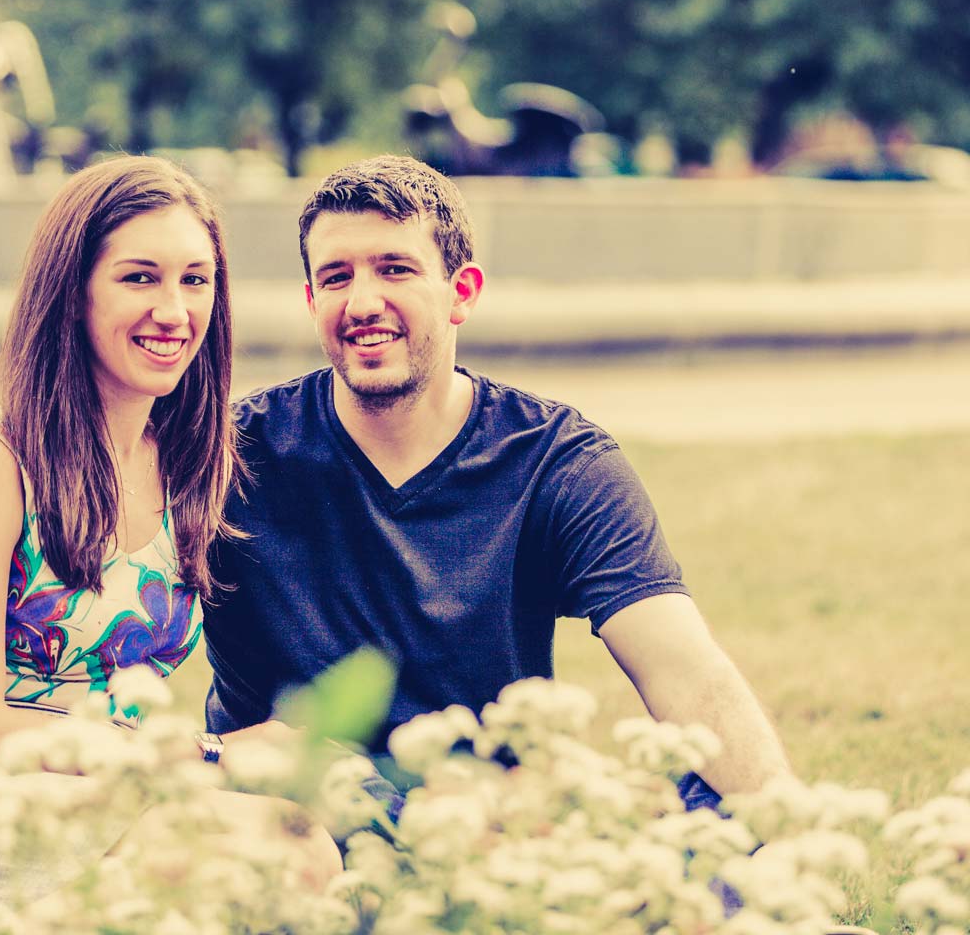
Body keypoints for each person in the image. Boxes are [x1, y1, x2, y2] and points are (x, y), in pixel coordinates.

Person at [204, 154, 791, 801]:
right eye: (336, 278)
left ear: (463, 291)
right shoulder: (229, 454)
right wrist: (215, 754)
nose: (363, 302)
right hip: (300, 823)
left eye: (396, 269)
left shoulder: (555, 460)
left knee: (698, 798)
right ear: (313, 301)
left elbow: (684, 671)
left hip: (496, 824)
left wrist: (777, 833)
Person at [0, 154, 339, 888]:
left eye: (195, 279)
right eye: (139, 277)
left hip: (111, 792)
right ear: (72, 293)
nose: (174, 312)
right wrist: (204, 754)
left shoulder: (191, 473)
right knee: (289, 850)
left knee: (314, 835)